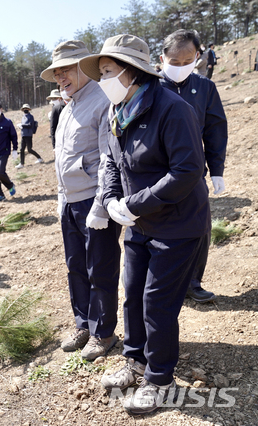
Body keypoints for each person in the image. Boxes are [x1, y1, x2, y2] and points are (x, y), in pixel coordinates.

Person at [79, 34, 210, 414]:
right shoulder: (115, 110)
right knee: (133, 293)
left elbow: (187, 170)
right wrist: (109, 200)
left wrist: (135, 204)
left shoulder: (172, 108)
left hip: (178, 224)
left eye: (107, 72)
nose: (102, 80)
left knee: (158, 303)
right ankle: (135, 361)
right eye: (100, 72)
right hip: (139, 222)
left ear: (132, 71)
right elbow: (109, 160)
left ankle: (160, 380)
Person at [40, 40, 122, 361]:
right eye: (57, 72)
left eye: (67, 70)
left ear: (83, 67)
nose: (60, 76)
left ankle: (103, 333)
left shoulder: (102, 101)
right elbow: (63, 158)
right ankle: (83, 324)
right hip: (69, 202)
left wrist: (101, 207)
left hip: (93, 202)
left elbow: (107, 159)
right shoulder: (66, 107)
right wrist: (61, 200)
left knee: (100, 267)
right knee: (76, 266)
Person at [159, 29, 228, 303]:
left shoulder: (205, 88)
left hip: (192, 174)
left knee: (199, 229)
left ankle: (193, 282)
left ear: (197, 57)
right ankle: (165, 285)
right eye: (173, 63)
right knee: (160, 232)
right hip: (157, 174)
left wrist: (218, 169)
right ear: (162, 58)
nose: (179, 68)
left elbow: (214, 130)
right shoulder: (151, 87)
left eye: (186, 62)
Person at [0, 101, 18, 203]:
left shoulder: (8, 122)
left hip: (4, 152)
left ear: (1, 109)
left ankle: (10, 185)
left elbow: (13, 136)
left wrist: (15, 149)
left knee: (0, 171)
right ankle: (0, 195)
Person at [15, 103, 43, 169]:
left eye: (26, 108)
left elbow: (30, 125)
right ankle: (21, 163)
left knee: (29, 149)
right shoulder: (23, 117)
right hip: (23, 134)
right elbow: (24, 125)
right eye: (24, 109)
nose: (25, 109)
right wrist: (21, 127)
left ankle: (39, 158)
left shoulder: (31, 116)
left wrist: (22, 125)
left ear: (29, 109)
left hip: (28, 135)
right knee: (22, 149)